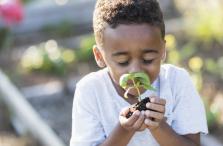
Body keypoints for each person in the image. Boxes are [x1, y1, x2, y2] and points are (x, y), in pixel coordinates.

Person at [70, 0, 208, 146]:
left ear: (163, 51)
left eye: (148, 59)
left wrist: (159, 126)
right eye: (123, 62)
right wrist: (124, 130)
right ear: (99, 56)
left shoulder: (177, 82)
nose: (136, 71)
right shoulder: (90, 90)